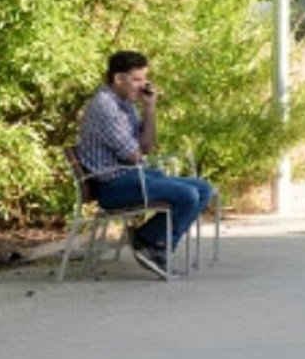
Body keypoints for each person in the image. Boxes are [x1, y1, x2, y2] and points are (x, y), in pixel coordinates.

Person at [75, 50, 217, 280]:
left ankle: (148, 238)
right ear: (118, 79)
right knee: (188, 195)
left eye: (144, 79)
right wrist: (140, 154)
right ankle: (156, 246)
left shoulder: (126, 103)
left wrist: (149, 108)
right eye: (137, 79)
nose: (143, 86)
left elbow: (147, 147)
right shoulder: (105, 106)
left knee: (203, 188)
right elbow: (134, 155)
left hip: (133, 175)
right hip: (113, 185)